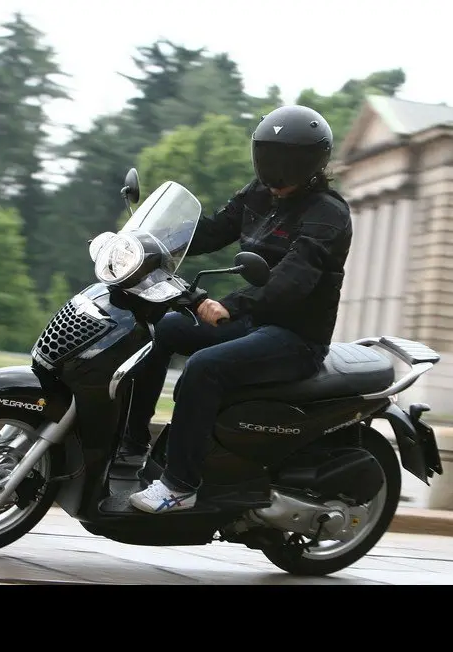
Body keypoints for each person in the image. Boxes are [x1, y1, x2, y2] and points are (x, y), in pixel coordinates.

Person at [122, 104, 352, 514]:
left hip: (294, 338)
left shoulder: (328, 213)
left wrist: (227, 306)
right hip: (251, 321)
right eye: (268, 155)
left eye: (285, 159)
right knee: (161, 327)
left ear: (311, 162)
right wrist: (144, 239)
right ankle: (132, 444)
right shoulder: (257, 195)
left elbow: (291, 280)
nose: (274, 167)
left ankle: (180, 485)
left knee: (204, 368)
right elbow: (211, 231)